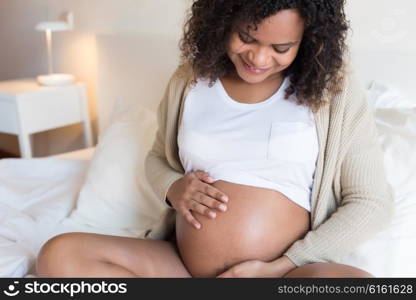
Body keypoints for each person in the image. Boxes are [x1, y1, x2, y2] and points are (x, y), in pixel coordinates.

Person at [36, 0, 394, 278]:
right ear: (223, 20)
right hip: (182, 271)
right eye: (247, 38)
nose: (258, 57)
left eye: (280, 47)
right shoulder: (189, 80)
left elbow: (370, 202)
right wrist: (173, 188)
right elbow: (157, 158)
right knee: (60, 255)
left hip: (285, 274)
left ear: (308, 39)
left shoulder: (334, 92)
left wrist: (282, 265)